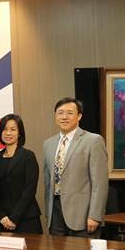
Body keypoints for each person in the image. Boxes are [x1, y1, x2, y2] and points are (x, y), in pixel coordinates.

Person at [43, 97, 108, 237]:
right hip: (55, 213)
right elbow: (48, 182)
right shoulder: (48, 144)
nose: (64, 117)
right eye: (60, 113)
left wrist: (95, 215)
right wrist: (49, 214)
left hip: (83, 215)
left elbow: (100, 183)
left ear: (79, 116)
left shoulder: (93, 141)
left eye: (69, 113)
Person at [0, 114, 42, 234]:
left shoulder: (28, 156)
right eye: (5, 129)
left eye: (13, 129)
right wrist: (1, 216)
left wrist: (14, 218)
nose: (8, 133)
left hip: (26, 219)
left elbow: (29, 190)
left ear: (19, 133)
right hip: (2, 221)